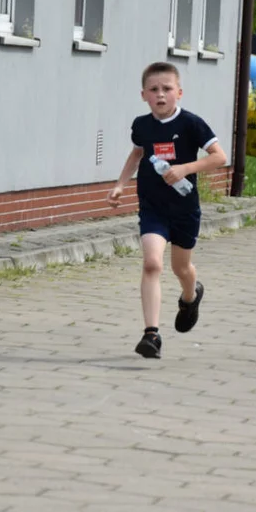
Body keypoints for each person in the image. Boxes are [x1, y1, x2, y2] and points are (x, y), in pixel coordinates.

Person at [108, 62, 227, 359]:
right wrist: (121, 184)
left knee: (181, 269)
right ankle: (152, 334)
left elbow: (219, 157)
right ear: (143, 95)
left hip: (185, 209)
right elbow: (137, 154)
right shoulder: (142, 125)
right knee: (151, 264)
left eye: (167, 89)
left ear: (179, 93)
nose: (160, 95)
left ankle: (191, 296)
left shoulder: (191, 124)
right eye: (154, 90)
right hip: (152, 207)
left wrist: (185, 168)